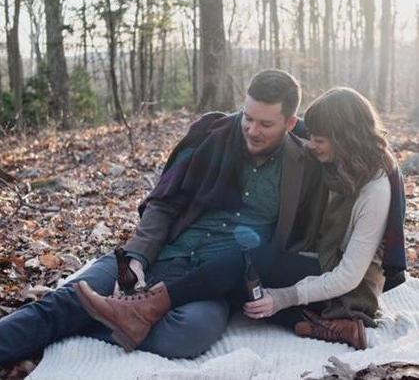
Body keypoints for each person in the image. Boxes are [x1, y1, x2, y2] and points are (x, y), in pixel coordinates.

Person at [0, 69, 322, 366]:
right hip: (165, 250)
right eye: (248, 118)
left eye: (266, 124)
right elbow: (165, 203)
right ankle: (84, 315)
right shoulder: (213, 136)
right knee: (68, 298)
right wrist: (138, 257)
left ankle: (90, 319)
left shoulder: (304, 164)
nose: (252, 130)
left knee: (189, 333)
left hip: (211, 280)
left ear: (290, 123)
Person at [75, 86, 406, 351]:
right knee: (246, 280)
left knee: (242, 268)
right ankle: (320, 327)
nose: (310, 145)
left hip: (350, 283)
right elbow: (293, 134)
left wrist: (284, 297)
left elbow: (348, 276)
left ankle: (144, 309)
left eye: (318, 140)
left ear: (345, 138)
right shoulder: (340, 163)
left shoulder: (375, 188)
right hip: (321, 259)